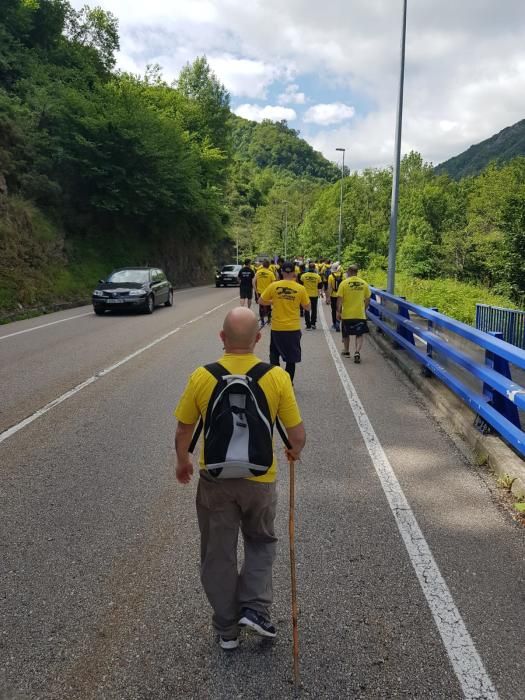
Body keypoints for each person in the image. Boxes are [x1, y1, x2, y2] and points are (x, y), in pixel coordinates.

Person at [174, 307, 306, 650]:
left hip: (215, 480)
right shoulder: (276, 377)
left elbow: (184, 428)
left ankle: (227, 628)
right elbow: (296, 434)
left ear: (222, 338)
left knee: (218, 552)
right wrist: (293, 451)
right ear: (258, 339)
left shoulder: (202, 376)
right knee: (261, 542)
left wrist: (182, 461)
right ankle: (255, 609)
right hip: (261, 480)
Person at [258, 261, 310, 383]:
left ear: (281, 272)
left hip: (277, 328)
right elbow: (307, 307)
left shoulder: (274, 286)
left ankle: (276, 381)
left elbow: (261, 301)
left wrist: (273, 302)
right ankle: (288, 383)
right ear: (294, 273)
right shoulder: (300, 288)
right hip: (293, 328)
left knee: (274, 356)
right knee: (291, 359)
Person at [336, 264, 371, 363]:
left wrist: (338, 311)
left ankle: (346, 351)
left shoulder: (344, 283)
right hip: (359, 314)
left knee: (346, 333)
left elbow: (340, 299)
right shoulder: (364, 283)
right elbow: (368, 299)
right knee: (359, 334)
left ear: (349, 272)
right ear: (356, 272)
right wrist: (364, 309)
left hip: (347, 314)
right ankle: (357, 351)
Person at [300, 261, 322, 330]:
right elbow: (320, 286)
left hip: (306, 295)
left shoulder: (303, 276)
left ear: (308, 267)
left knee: (306, 309)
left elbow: (301, 285)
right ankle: (313, 324)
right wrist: (319, 294)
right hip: (314, 295)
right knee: (314, 309)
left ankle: (308, 325)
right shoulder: (318, 276)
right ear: (315, 268)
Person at [253, 259, 275, 327]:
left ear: (262, 265)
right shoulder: (270, 273)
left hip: (260, 292)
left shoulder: (258, 272)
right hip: (268, 292)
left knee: (261, 306)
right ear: (268, 266)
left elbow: (253, 282)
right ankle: (269, 320)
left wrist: (256, 291)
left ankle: (262, 321)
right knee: (268, 306)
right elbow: (273, 284)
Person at [327, 263, 344, 331]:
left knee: (334, 310)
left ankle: (334, 324)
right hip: (341, 295)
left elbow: (329, 287)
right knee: (340, 309)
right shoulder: (343, 276)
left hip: (333, 295)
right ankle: (339, 322)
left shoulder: (330, 276)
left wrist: (328, 297)